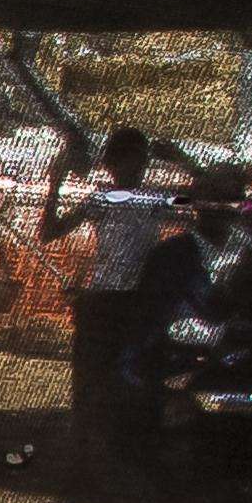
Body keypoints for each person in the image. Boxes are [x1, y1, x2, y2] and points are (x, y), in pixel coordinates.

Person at [39, 126, 180, 481]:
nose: (140, 166)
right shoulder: (102, 199)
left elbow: (208, 203)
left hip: (133, 301)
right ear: (114, 163)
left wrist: (183, 160)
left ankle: (121, 456)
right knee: (92, 382)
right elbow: (50, 231)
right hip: (106, 300)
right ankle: (86, 459)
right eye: (133, 159)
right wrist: (55, 184)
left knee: (127, 380)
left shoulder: (156, 199)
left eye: (143, 159)